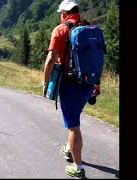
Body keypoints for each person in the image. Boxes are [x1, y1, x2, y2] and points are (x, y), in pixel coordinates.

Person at [42, 0, 101, 178]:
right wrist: (96, 84)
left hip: (69, 84)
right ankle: (69, 149)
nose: (60, 16)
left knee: (73, 126)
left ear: (64, 14)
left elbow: (51, 58)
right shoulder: (91, 28)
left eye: (60, 13)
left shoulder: (60, 30)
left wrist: (45, 82)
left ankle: (78, 168)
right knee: (74, 115)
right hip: (88, 82)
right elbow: (97, 59)